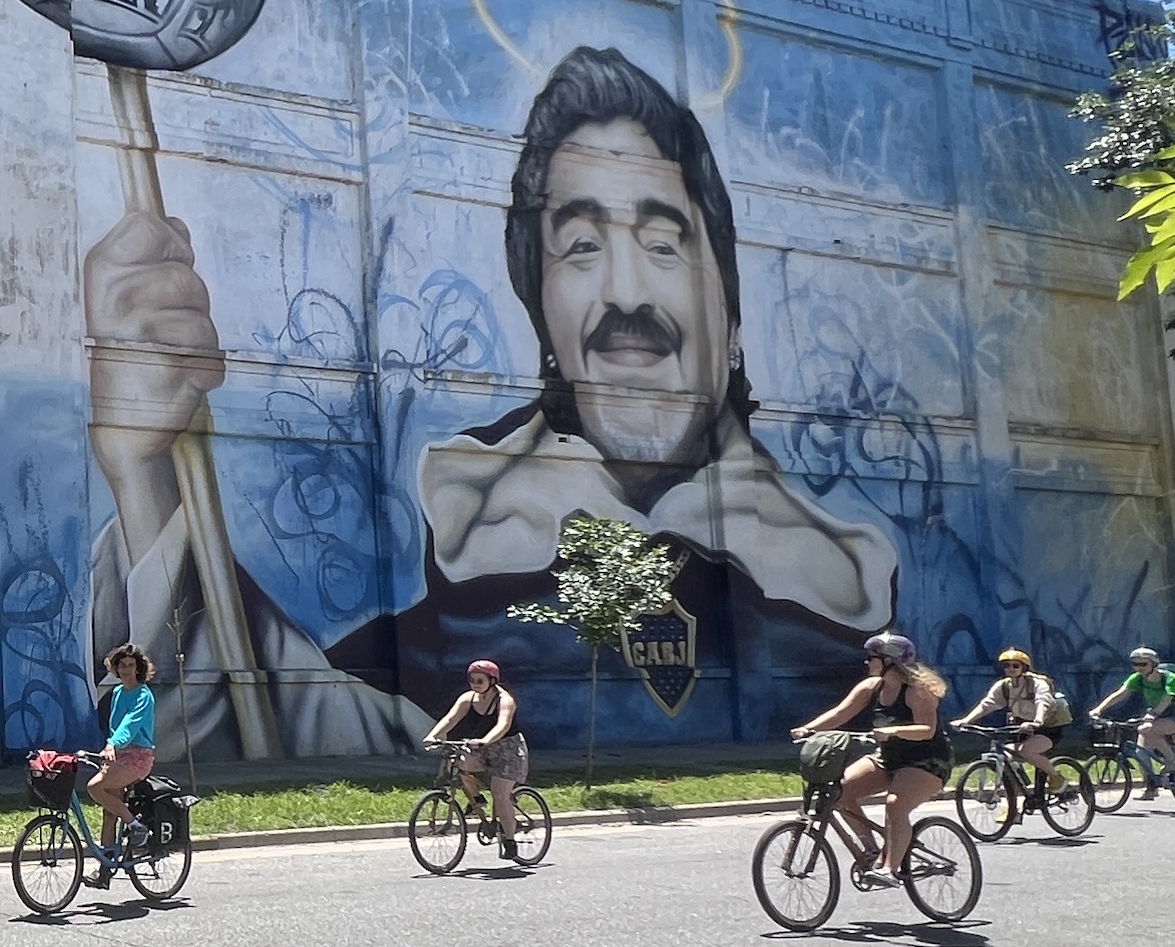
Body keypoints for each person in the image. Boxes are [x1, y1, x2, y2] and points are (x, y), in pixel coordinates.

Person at [85, 47, 898, 759]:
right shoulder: (463, 597)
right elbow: (265, 726)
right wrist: (146, 470)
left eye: (663, 243)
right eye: (580, 246)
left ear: (730, 313)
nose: (623, 291)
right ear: (539, 311)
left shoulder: (837, 590)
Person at [790, 631, 950, 888]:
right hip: (887, 758)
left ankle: (889, 869)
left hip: (926, 761)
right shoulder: (871, 687)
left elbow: (927, 730)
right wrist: (809, 729)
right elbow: (840, 713)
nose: (868, 662)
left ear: (891, 661)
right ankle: (872, 851)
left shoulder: (917, 692)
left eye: (873, 657)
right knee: (839, 791)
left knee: (895, 804)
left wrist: (893, 731)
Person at [423, 658, 530, 860]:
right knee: (458, 761)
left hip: (508, 750)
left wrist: (484, 741)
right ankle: (477, 800)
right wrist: (433, 736)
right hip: (480, 746)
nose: (475, 684)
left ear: (492, 680)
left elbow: (503, 725)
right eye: (472, 680)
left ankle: (509, 841)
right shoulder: (468, 699)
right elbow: (450, 718)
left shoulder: (504, 700)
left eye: (480, 680)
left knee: (500, 793)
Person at [80, 643, 158, 891]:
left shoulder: (144, 695)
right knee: (108, 813)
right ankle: (105, 871)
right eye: (121, 665)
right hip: (116, 754)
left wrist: (113, 743)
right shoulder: (117, 693)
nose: (125, 670)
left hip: (137, 757)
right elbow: (116, 726)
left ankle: (137, 827)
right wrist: (110, 747)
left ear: (139, 668)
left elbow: (129, 724)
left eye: (130, 665)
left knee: (94, 788)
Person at [955, 648, 1072, 803]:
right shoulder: (1003, 686)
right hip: (1020, 725)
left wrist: (1037, 720)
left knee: (1028, 751)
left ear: (1024, 667)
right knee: (1006, 756)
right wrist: (966, 720)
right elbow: (987, 705)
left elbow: (1042, 701)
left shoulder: (1037, 684)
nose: (1010, 669)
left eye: (1015, 665)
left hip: (1048, 726)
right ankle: (1014, 805)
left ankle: (1057, 778)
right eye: (1007, 665)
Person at [1088, 647, 1175, 798]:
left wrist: (1151, 716)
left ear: (1154, 664)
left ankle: (1173, 762)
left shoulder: (1169, 678)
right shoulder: (1138, 678)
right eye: (1135, 664)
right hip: (1154, 716)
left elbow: (1167, 700)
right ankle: (1151, 786)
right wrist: (1099, 709)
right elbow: (1120, 694)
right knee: (1140, 752)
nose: (1138, 667)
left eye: (1143, 664)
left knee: (1148, 730)